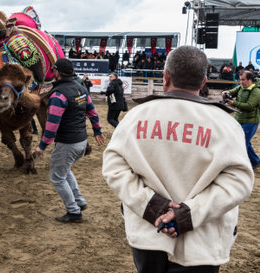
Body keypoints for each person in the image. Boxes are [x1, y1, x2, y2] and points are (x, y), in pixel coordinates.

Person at [102, 46, 254, 272]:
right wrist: (187, 214)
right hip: (203, 241)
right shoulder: (227, 125)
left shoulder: (135, 117)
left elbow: (115, 169)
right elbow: (238, 181)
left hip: (149, 233)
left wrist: (154, 207)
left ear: (166, 77)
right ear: (204, 81)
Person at [34, 58, 105, 223]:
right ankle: (79, 201)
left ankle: (74, 211)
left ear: (57, 72)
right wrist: (97, 130)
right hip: (80, 141)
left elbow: (51, 126)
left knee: (57, 177)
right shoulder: (81, 88)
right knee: (64, 171)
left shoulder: (59, 94)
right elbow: (92, 112)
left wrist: (42, 146)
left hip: (67, 143)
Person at [222, 70, 260, 168]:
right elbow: (232, 92)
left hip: (250, 122)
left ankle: (241, 164)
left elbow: (250, 106)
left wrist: (233, 103)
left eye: (243, 80)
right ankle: (255, 161)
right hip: (239, 120)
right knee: (245, 142)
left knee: (241, 143)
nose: (241, 82)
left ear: (250, 80)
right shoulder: (240, 87)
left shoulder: (256, 91)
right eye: (240, 79)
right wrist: (226, 92)